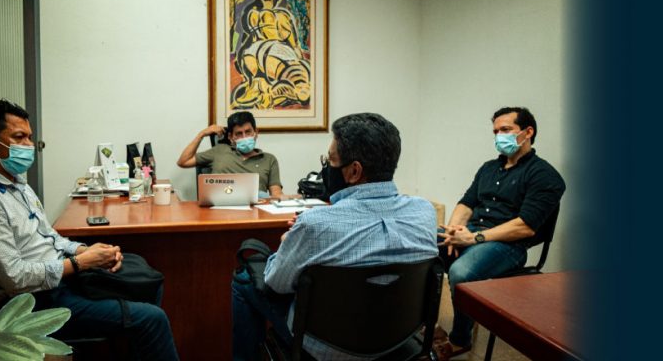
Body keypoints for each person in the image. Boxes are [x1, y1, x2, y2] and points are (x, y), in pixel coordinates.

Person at [0, 99, 179, 360]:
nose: (29, 145)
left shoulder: (17, 184)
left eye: (30, 137)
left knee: (145, 279)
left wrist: (83, 250)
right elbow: (15, 278)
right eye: (19, 137)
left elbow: (50, 237)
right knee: (152, 318)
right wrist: (80, 263)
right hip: (31, 304)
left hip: (60, 279)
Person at [231, 113, 438, 361]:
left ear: (354, 171)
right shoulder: (425, 212)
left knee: (243, 280)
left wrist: (289, 241)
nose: (327, 168)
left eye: (330, 160)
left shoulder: (314, 223)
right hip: (400, 339)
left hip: (326, 348)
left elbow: (276, 283)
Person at [436, 107, 566, 355]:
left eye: (505, 130)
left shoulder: (545, 175)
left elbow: (524, 226)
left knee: (461, 271)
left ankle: (461, 339)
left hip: (508, 245)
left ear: (528, 132)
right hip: (472, 232)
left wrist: (473, 238)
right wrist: (453, 231)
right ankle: (429, 326)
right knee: (420, 248)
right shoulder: (488, 168)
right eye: (495, 131)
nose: (499, 136)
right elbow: (466, 203)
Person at [177, 111, 283, 199]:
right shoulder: (220, 150)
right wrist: (201, 134)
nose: (244, 137)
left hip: (256, 211)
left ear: (256, 132)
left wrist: (286, 200)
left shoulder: (269, 159)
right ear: (231, 137)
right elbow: (183, 161)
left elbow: (276, 193)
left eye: (248, 132)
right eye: (239, 134)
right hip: (219, 209)